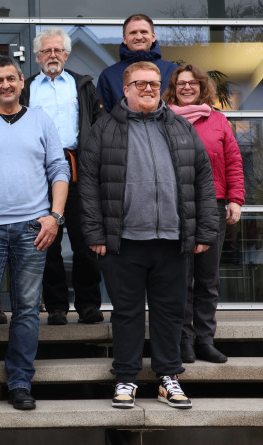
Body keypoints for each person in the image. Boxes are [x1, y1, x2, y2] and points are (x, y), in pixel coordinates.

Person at [79, 61, 218, 410]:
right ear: (125, 89)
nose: (148, 89)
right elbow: (89, 185)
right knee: (126, 313)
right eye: (140, 84)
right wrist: (94, 233)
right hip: (123, 241)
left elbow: (203, 179)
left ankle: (168, 378)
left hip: (173, 240)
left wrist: (204, 230)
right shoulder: (103, 129)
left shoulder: (180, 127)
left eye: (154, 84)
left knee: (169, 312)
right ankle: (126, 377)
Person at [0, 56, 70, 413]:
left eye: (11, 79)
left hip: (33, 228)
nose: (5, 85)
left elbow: (59, 169)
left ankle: (20, 383)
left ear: (22, 82)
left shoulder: (41, 120)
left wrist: (55, 217)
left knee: (26, 310)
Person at [20, 28, 106, 326]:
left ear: (66, 55)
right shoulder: (27, 88)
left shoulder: (83, 85)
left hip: (78, 168)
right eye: (47, 50)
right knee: (47, 241)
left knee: (84, 240)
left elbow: (98, 127)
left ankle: (88, 305)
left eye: (58, 50)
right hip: (39, 172)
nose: (53, 55)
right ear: (37, 56)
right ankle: (56, 306)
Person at [163, 64, 245, 365]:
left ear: (201, 87)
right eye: (181, 83)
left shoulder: (218, 120)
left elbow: (233, 162)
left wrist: (235, 199)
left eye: (193, 83)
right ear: (173, 88)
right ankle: (183, 341)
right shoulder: (163, 120)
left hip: (213, 205)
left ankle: (205, 340)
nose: (187, 87)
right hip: (174, 207)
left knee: (207, 278)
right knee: (180, 278)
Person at [96, 14, 177, 113]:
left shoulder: (174, 72)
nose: (138, 37)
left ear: (153, 37)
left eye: (144, 32)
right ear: (125, 39)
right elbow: (102, 116)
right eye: (133, 33)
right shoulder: (108, 76)